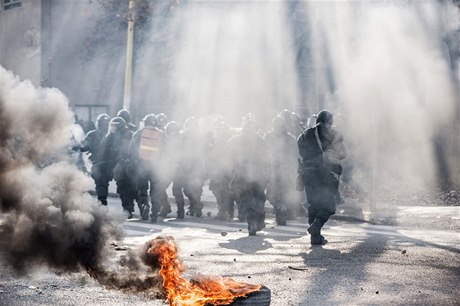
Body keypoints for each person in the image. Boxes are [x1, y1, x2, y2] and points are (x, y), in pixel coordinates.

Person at [297, 109, 347, 245]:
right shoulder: (334, 134)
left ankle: (315, 238)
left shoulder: (306, 134)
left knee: (313, 205)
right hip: (326, 175)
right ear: (330, 121)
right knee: (329, 206)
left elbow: (300, 148)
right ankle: (316, 226)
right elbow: (343, 154)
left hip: (308, 174)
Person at [229, 118, 268, 235]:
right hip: (255, 174)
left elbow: (229, 152)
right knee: (258, 199)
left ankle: (253, 222)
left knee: (248, 200)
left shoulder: (236, 140)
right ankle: (256, 222)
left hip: (245, 174)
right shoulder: (260, 140)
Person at [129, 114, 165, 222]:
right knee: (155, 191)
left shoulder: (139, 133)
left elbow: (131, 150)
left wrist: (135, 163)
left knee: (142, 190)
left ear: (145, 122)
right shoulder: (161, 134)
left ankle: (144, 206)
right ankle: (154, 213)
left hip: (142, 167)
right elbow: (168, 150)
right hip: (156, 168)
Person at [264, 116, 299, 225]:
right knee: (285, 193)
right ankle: (286, 211)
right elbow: (297, 155)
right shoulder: (291, 138)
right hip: (283, 170)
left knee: (273, 194)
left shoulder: (269, 137)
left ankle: (281, 208)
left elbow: (263, 153)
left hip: (278, 170)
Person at [100, 117, 136, 218]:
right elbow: (104, 147)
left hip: (127, 164)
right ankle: (128, 208)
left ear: (120, 126)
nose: (113, 127)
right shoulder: (111, 135)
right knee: (122, 188)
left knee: (127, 188)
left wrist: (127, 159)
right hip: (118, 165)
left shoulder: (128, 134)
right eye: (112, 125)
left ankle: (129, 208)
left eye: (115, 125)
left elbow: (130, 149)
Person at [80, 113, 111, 205]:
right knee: (103, 183)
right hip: (110, 164)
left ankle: (102, 202)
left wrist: (79, 145)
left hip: (99, 163)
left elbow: (83, 147)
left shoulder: (93, 134)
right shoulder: (112, 134)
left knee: (100, 183)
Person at [208, 121, 235, 220]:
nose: (218, 131)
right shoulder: (218, 140)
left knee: (222, 192)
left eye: (220, 130)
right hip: (219, 170)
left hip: (224, 170)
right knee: (221, 191)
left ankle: (224, 211)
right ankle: (227, 210)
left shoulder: (226, 141)